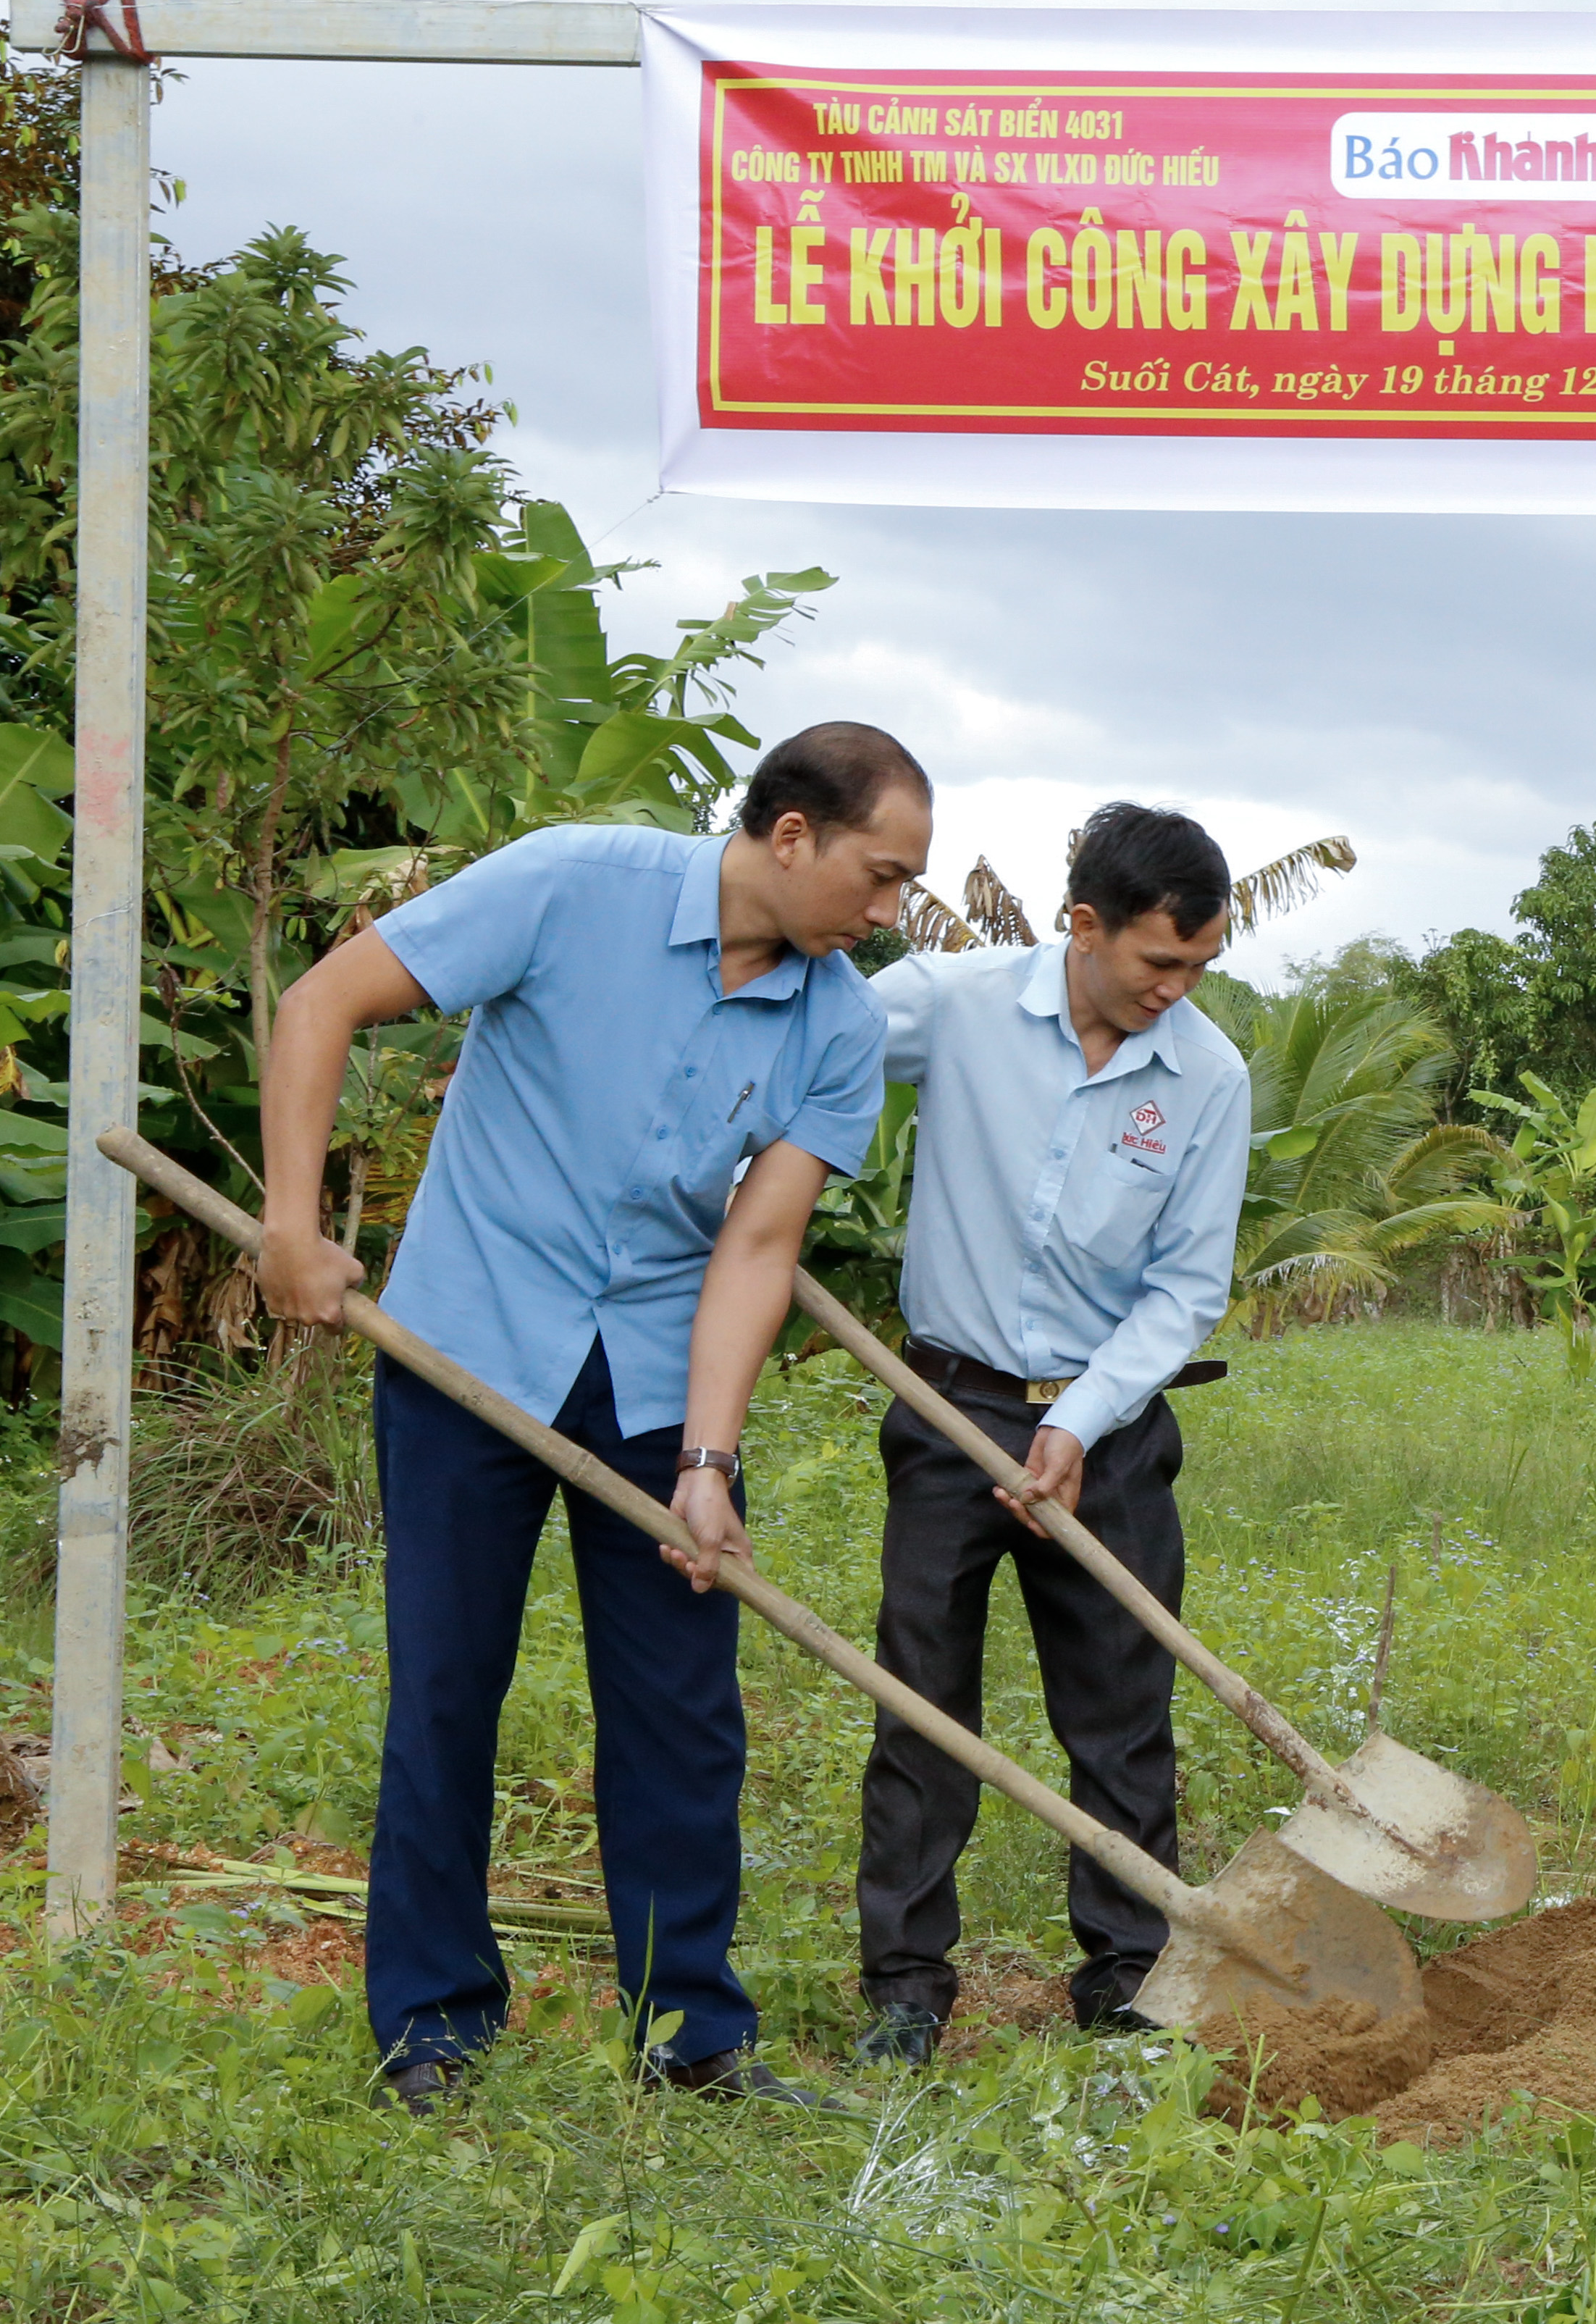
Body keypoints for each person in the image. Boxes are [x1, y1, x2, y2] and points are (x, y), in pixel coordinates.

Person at [258, 723, 930, 2115]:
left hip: (651, 1382)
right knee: (446, 1687)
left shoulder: (842, 1022)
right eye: (878, 877)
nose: (888, 914)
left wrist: (707, 1458)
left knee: (685, 1712)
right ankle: (432, 2023)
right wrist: (290, 1226)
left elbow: (756, 1250)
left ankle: (691, 2037)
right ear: (790, 833)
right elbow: (321, 1001)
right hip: (467, 1353)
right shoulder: (572, 885)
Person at [852, 802, 1250, 2063]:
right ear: (1082, 925)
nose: (1176, 992)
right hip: (945, 1407)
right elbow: (810, 1043)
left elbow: (1185, 1289)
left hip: (1111, 1427)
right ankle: (906, 1988)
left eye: (1199, 967)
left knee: (1122, 1709)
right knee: (923, 1706)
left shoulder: (1207, 1076)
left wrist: (1079, 1420)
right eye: (1157, 963)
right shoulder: (953, 1004)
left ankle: (1128, 1973)